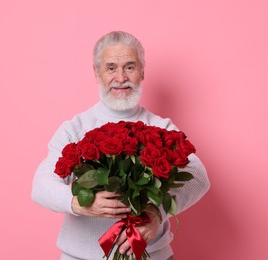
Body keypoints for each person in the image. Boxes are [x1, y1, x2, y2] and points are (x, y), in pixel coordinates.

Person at [31, 31, 210, 260]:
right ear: (97, 73)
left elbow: (198, 175)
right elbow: (41, 184)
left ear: (142, 72)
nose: (121, 77)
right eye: (111, 67)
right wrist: (80, 203)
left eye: (130, 67)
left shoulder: (161, 127)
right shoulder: (75, 128)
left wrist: (157, 214)